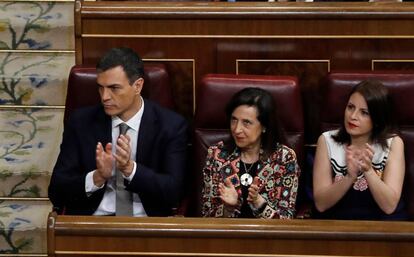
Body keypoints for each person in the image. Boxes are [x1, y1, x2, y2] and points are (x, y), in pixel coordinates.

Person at [48, 47, 188, 216]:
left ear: (137, 86)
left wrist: (130, 169)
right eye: (100, 87)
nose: (104, 96)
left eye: (114, 88)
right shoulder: (81, 123)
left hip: (147, 224)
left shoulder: (171, 126)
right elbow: (56, 191)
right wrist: (98, 177)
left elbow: (174, 192)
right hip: (93, 224)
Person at [313, 80, 407, 220]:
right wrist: (350, 177)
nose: (353, 116)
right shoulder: (327, 140)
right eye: (350, 107)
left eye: (364, 112)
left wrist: (369, 171)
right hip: (335, 225)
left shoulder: (393, 143)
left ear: (377, 118)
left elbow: (389, 206)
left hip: (382, 226)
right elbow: (321, 204)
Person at [201, 87, 300, 219]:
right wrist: (228, 208)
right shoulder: (217, 155)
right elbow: (206, 216)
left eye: (246, 123)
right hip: (227, 236)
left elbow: (287, 221)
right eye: (233, 120)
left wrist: (260, 204)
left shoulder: (284, 158)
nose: (237, 129)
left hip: (268, 238)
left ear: (264, 126)